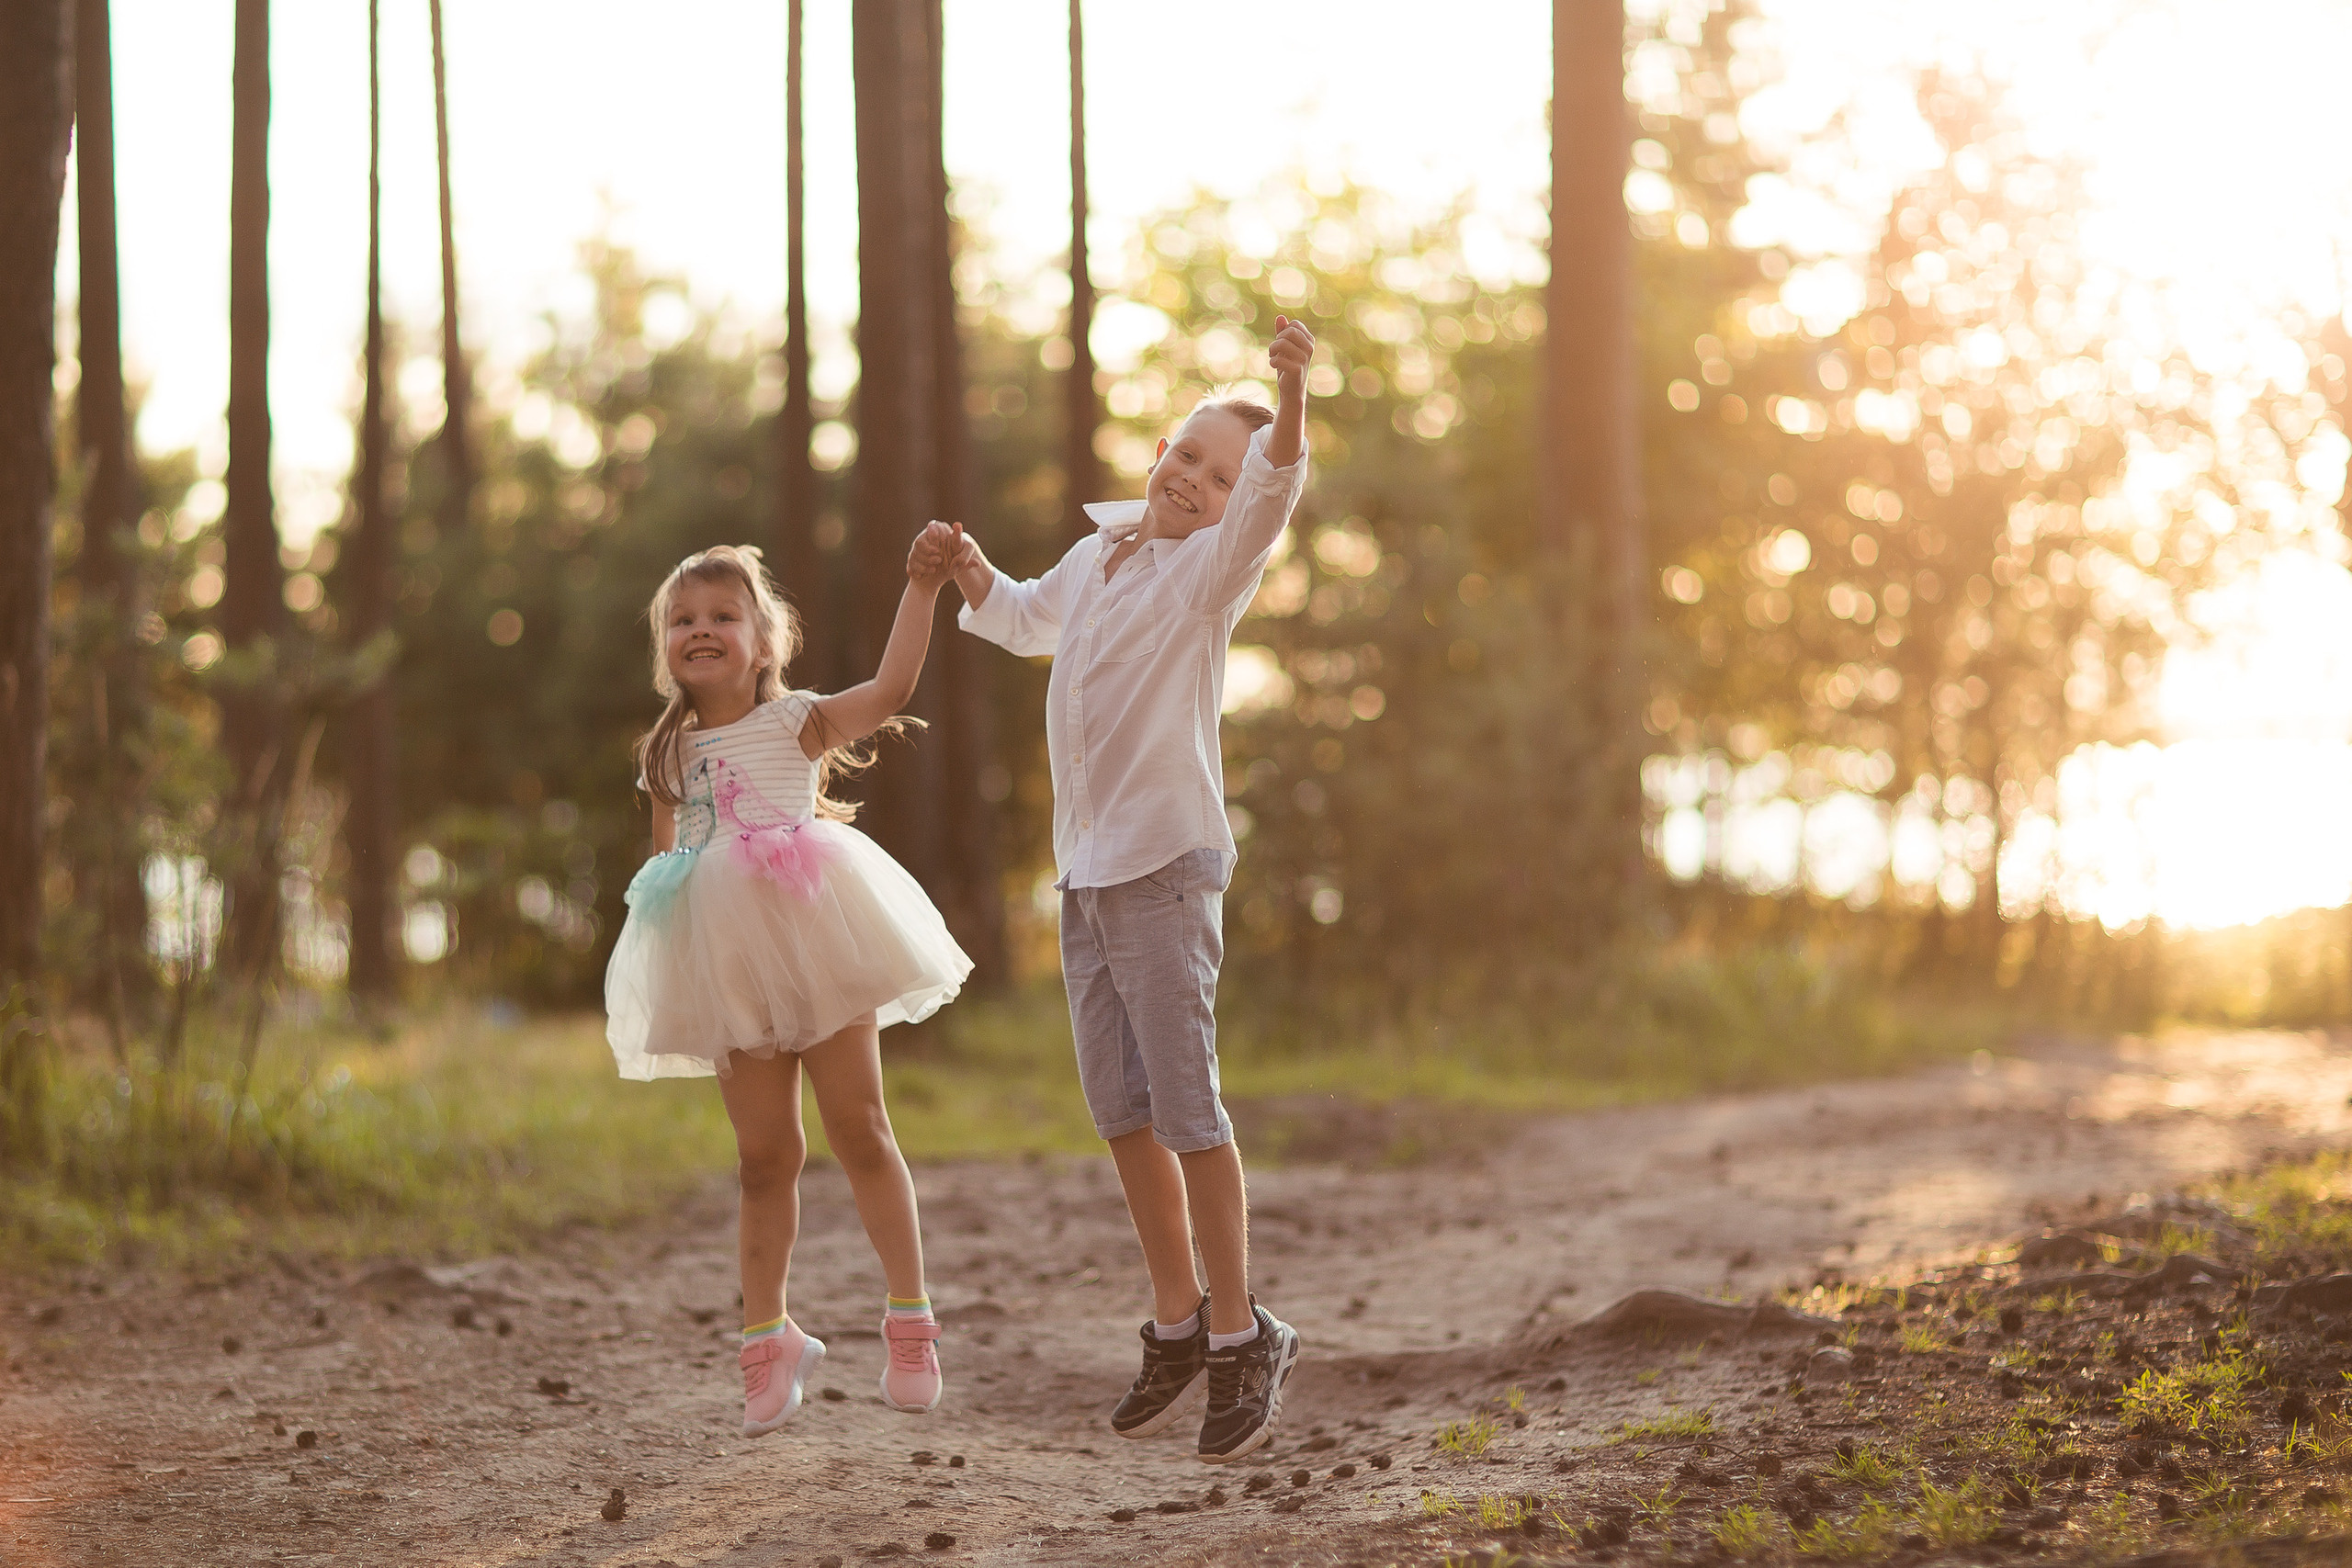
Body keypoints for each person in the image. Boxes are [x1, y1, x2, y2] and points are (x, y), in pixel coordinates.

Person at [948, 315, 1317, 1464]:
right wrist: (969, 570)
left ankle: (1239, 1327)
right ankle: (1172, 1322)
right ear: (1156, 449)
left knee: (1187, 1106)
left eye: (1219, 476)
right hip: (1088, 871)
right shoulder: (1098, 555)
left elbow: (1271, 492)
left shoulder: (1208, 575)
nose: (1195, 482)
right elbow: (1017, 621)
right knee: (1120, 1109)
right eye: (1185, 457)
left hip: (1163, 866)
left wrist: (1288, 396)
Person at [605, 536, 973, 1438]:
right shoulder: (665, 757)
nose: (701, 630)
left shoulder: (795, 722)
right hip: (728, 958)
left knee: (861, 1128)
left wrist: (922, 585)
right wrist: (677, 972)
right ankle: (768, 1340)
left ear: (762, 642)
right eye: (683, 620)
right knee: (764, 1157)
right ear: (665, 648)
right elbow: (665, 872)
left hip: (815, 934)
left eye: (722, 617)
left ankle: (909, 1317)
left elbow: (888, 693)